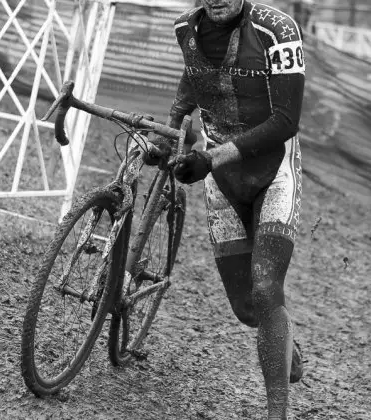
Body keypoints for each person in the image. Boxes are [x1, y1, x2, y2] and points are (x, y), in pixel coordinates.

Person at [144, 1, 306, 418]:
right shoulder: (185, 28)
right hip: (222, 179)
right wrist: (172, 132)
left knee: (267, 286)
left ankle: (277, 413)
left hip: (274, 173)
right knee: (247, 307)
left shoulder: (277, 30)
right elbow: (191, 82)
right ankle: (282, 339)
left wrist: (212, 159)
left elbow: (287, 120)